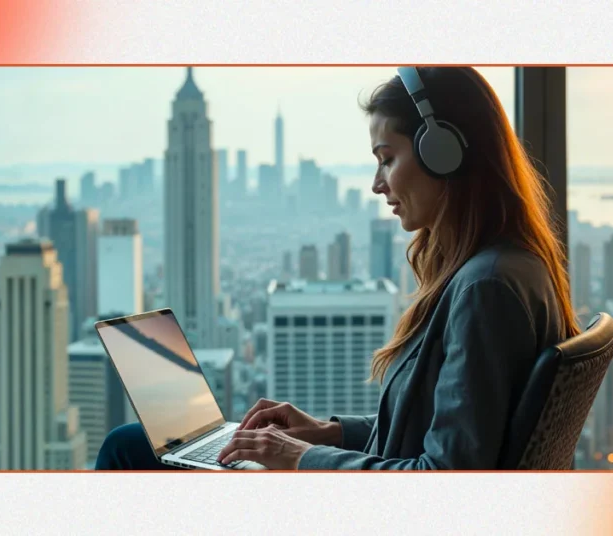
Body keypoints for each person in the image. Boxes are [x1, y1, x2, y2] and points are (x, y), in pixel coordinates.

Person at [96, 66, 579, 471]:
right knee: (143, 443)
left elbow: (445, 476)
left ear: (443, 153)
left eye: (387, 160)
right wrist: (328, 432)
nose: (376, 183)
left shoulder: (485, 288)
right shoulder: (505, 267)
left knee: (128, 448)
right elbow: (426, 431)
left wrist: (303, 459)